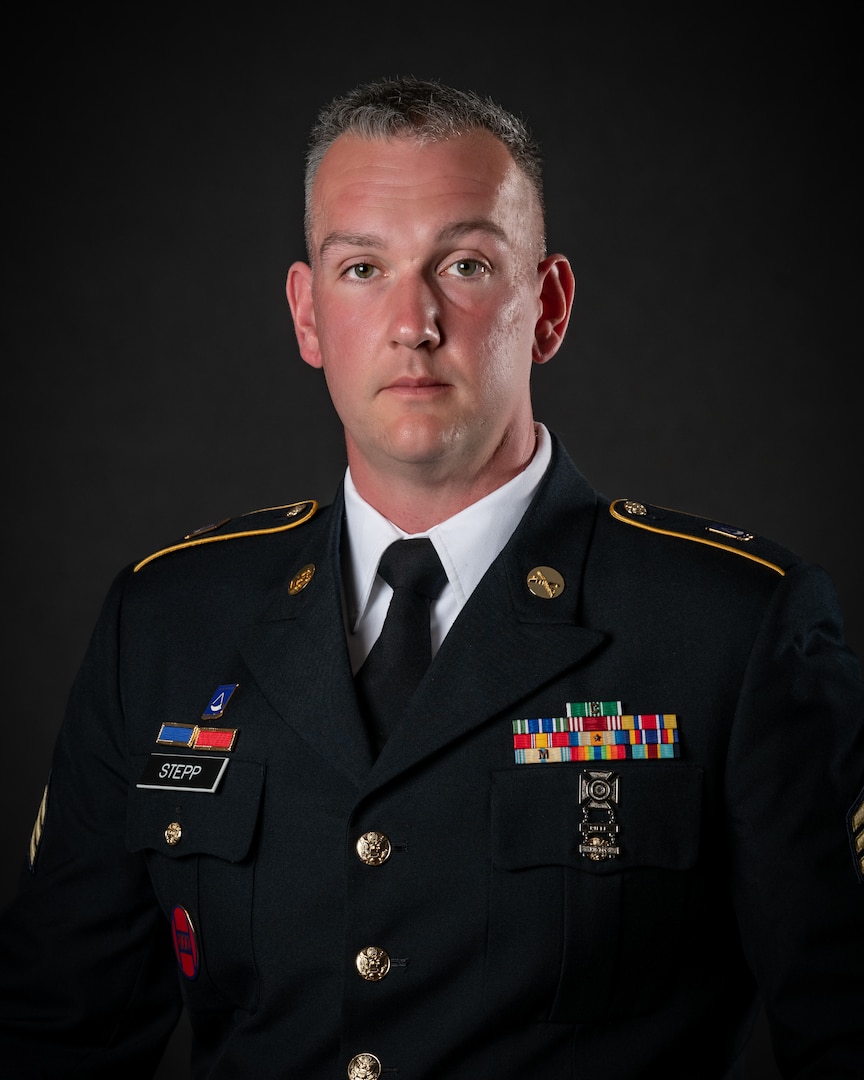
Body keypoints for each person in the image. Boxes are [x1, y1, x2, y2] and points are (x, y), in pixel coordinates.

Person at [0, 75, 862, 1080]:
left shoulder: (731, 628)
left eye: (463, 263)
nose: (414, 321)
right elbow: (51, 1036)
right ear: (308, 314)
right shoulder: (165, 625)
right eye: (362, 267)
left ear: (547, 307)